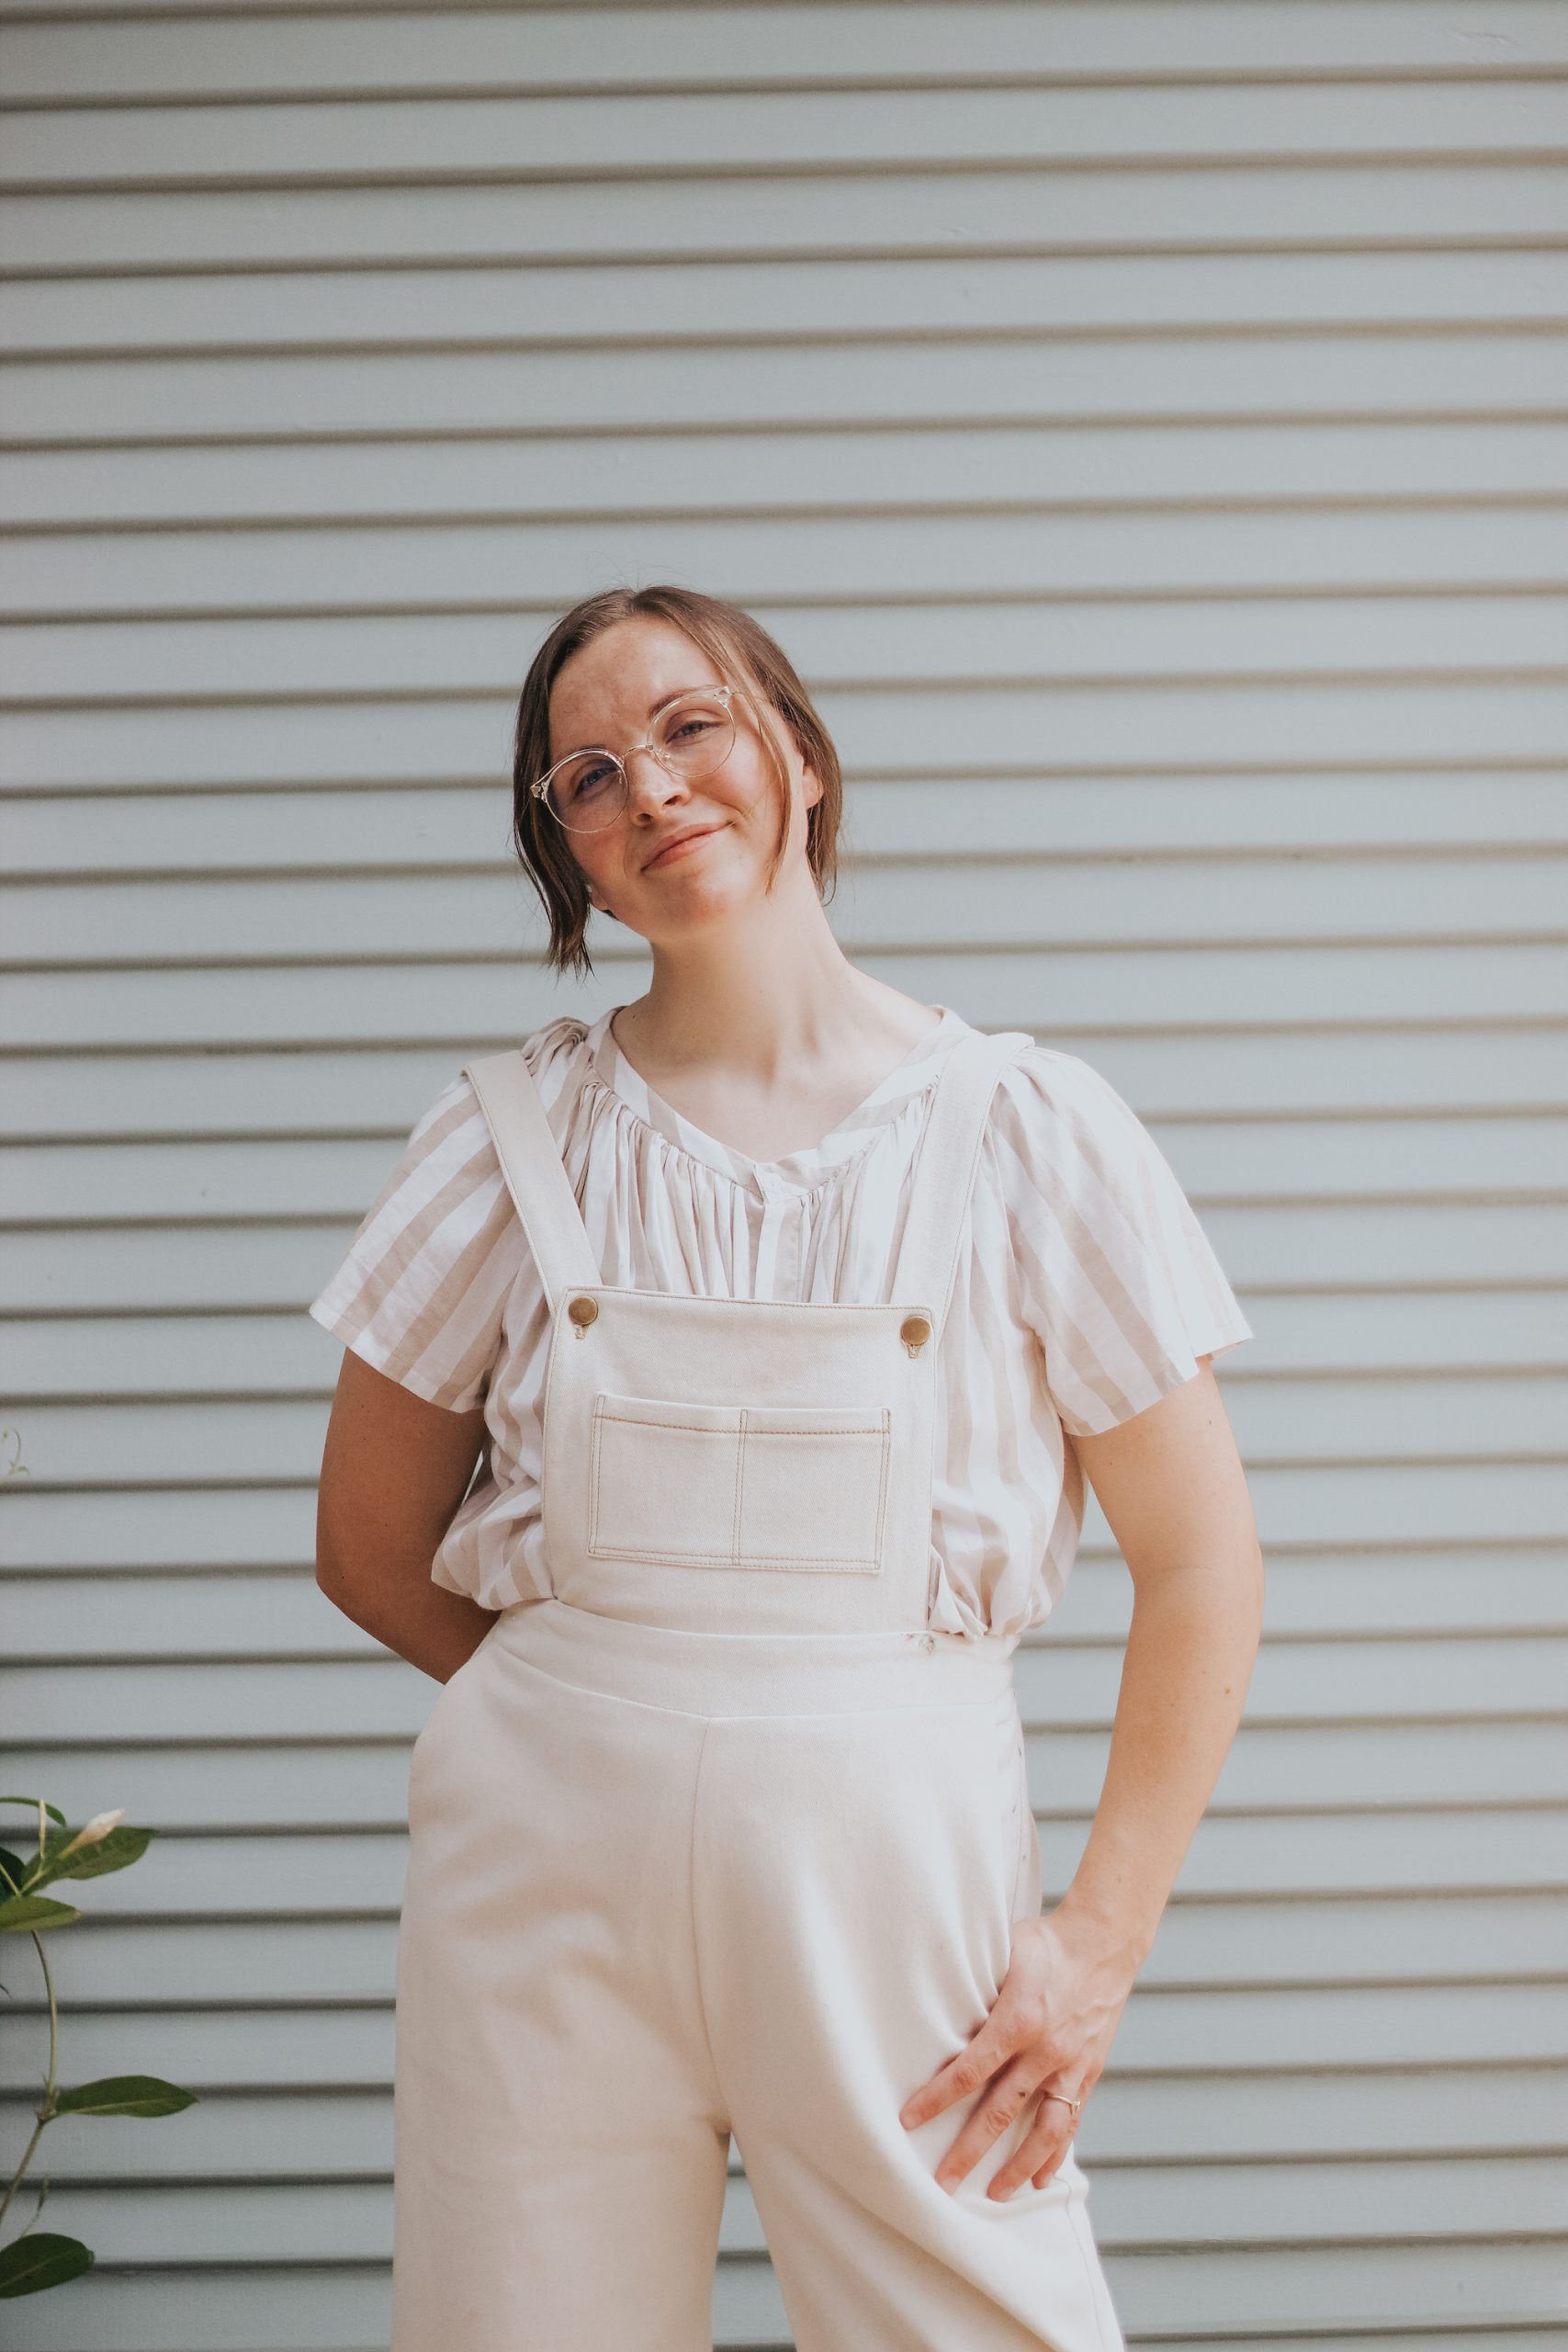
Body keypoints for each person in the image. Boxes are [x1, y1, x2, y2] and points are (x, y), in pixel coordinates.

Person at [310, 584, 1264, 2351]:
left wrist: (1099, 1937)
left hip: (897, 1865)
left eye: (691, 726)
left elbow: (1206, 1566)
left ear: (798, 756)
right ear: (573, 858)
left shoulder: (1024, 1133)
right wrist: (612, 1708)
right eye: (586, 775)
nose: (651, 788)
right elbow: (367, 1546)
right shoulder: (503, 1140)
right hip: (541, 1890)